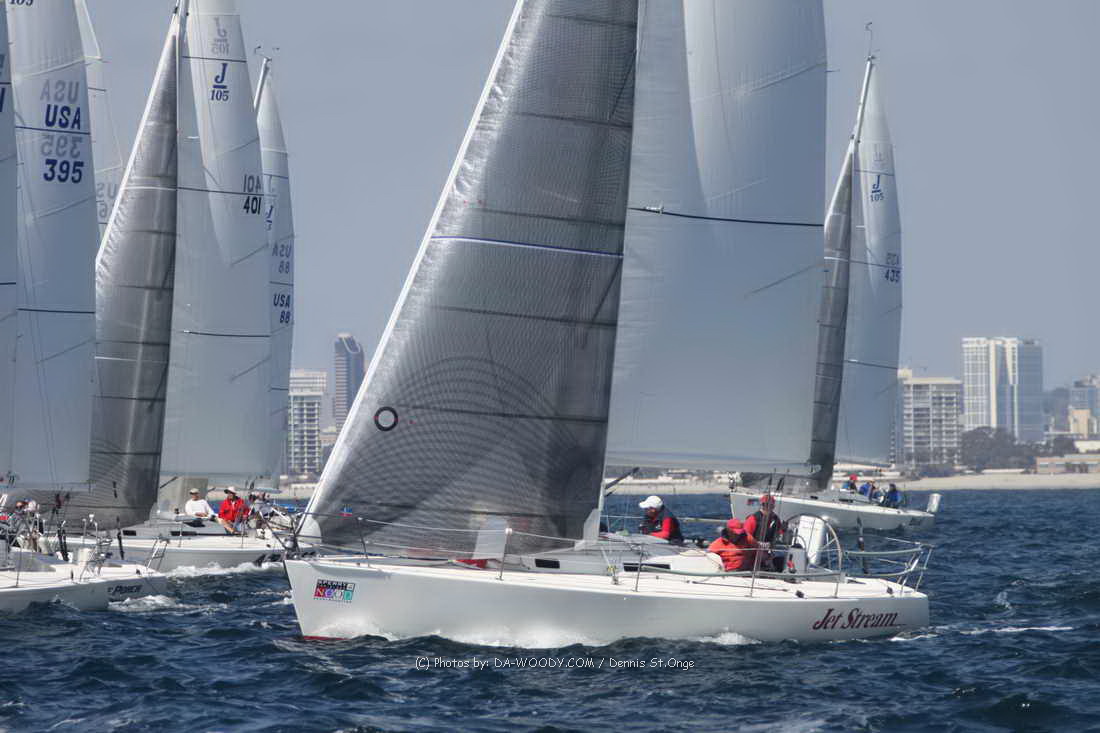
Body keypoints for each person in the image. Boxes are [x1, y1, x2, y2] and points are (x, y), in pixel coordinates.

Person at [743, 494, 787, 572]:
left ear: (773, 506)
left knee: (781, 560)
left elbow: (778, 534)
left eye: (770, 505)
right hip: (753, 551)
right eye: (765, 505)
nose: (767, 507)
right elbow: (746, 536)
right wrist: (757, 544)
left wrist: (783, 530)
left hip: (769, 551)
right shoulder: (753, 518)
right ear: (762, 505)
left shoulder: (775, 519)